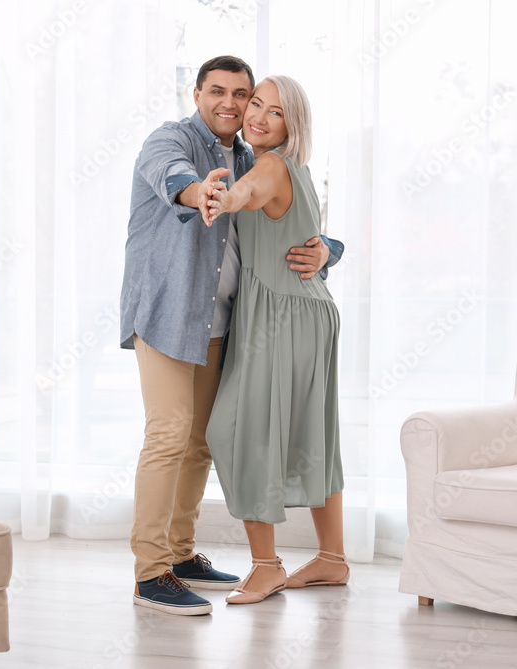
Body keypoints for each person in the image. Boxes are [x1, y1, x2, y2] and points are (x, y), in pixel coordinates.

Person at [120, 56, 344, 616]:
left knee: (203, 442)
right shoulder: (169, 140)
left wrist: (328, 249)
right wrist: (202, 196)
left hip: (227, 326)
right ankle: (152, 573)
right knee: (170, 435)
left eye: (242, 94)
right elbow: (177, 179)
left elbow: (287, 216)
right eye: (217, 91)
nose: (232, 103)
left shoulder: (252, 155)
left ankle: (182, 551)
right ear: (196, 93)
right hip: (170, 319)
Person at [202, 75, 348, 605]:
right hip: (307, 311)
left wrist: (224, 197)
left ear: (293, 125)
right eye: (255, 104)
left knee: (241, 430)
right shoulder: (297, 169)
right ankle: (332, 558)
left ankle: (266, 566)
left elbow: (250, 192)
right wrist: (331, 249)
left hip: (281, 316)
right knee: (312, 433)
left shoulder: (271, 165)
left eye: (276, 112)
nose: (259, 116)